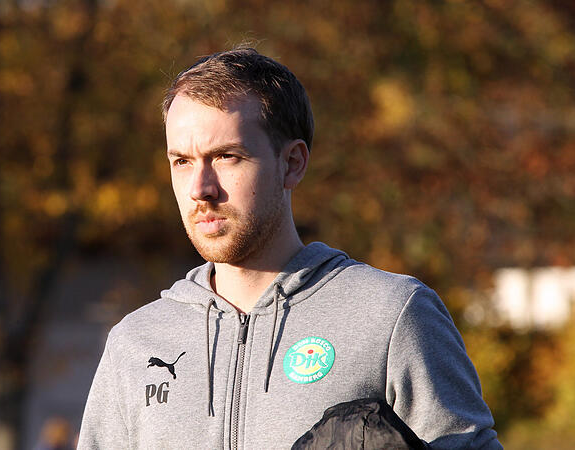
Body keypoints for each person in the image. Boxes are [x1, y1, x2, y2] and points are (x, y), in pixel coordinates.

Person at [78, 47, 502, 449]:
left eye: (226, 156)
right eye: (182, 161)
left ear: (292, 163)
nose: (199, 189)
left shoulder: (390, 316)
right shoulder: (134, 344)